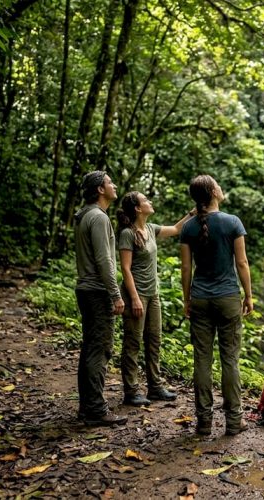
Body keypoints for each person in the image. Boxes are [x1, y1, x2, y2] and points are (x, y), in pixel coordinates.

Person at [180, 175, 253, 437]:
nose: (222, 188)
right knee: (229, 360)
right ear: (212, 192)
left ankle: (204, 422)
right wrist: (249, 295)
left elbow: (186, 268)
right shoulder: (232, 222)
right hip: (228, 298)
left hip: (200, 298)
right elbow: (242, 263)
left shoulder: (188, 227)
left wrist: (187, 299)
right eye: (218, 185)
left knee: (202, 359)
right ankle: (234, 421)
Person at [116, 191, 194, 406]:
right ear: (138, 209)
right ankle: (131, 391)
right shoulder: (127, 234)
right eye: (145, 201)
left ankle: (155, 387)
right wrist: (134, 298)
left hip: (153, 293)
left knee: (154, 340)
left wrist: (192, 212)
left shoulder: (150, 228)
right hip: (137, 294)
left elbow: (177, 229)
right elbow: (125, 268)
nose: (150, 202)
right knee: (133, 342)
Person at [74, 170, 127, 426]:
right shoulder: (98, 217)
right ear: (99, 189)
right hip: (96, 291)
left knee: (90, 348)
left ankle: (88, 407)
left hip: (86, 289)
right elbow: (104, 260)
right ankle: (95, 410)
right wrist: (115, 294)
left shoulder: (85, 214)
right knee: (100, 349)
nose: (113, 185)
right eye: (109, 183)